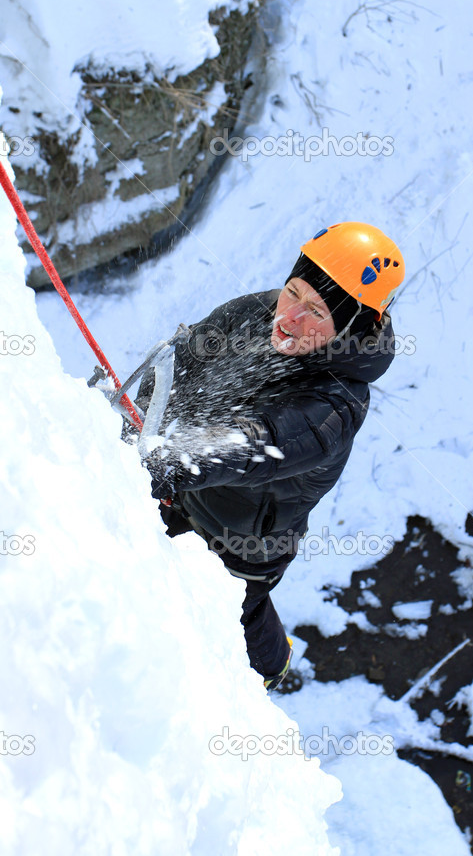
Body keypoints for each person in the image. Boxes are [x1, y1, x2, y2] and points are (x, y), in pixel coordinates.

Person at [132, 222, 405, 690]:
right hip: (182, 498)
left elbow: (254, 443)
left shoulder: (335, 406)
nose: (291, 317)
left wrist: (164, 463)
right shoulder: (259, 313)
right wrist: (139, 423)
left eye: (317, 311)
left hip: (238, 546)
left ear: (350, 329)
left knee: (235, 623)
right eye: (294, 291)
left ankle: (269, 672)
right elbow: (180, 362)